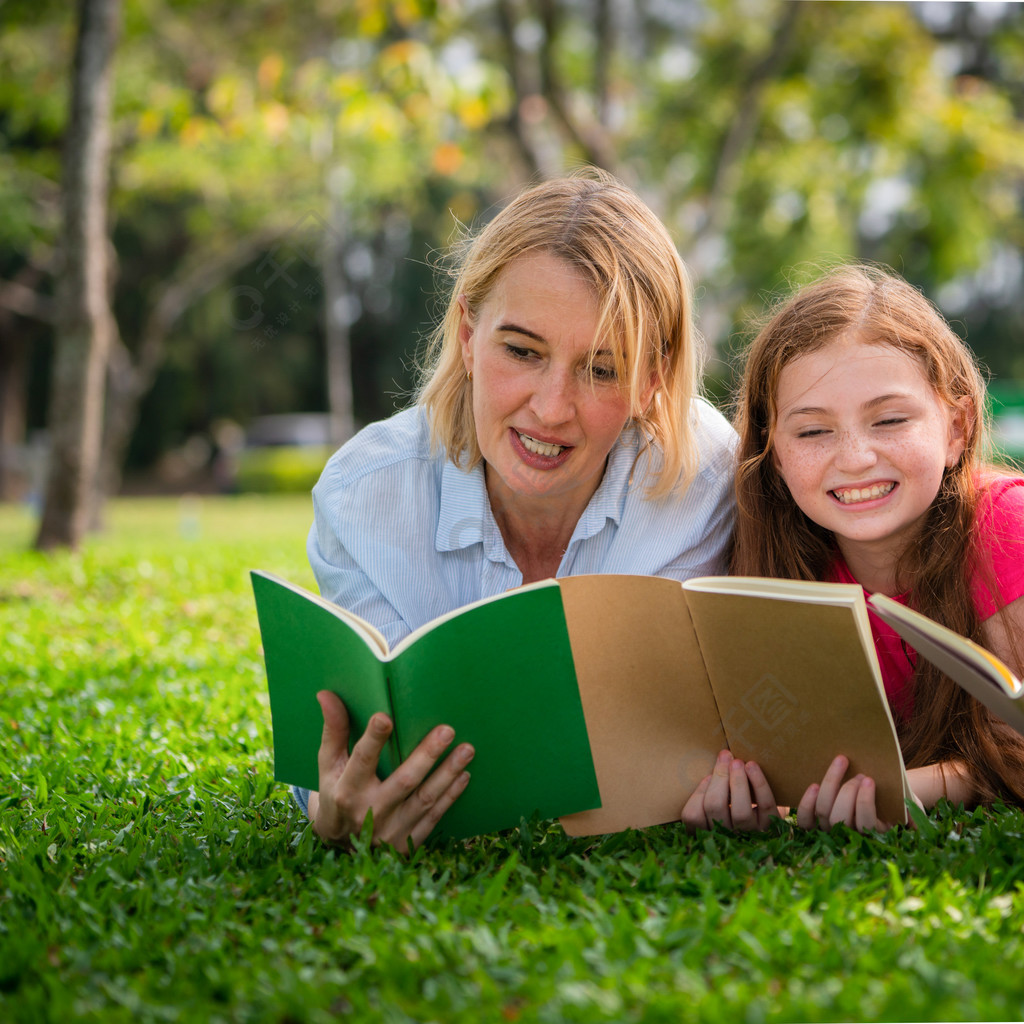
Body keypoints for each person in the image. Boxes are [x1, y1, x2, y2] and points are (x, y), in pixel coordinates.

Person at [301, 169, 738, 849]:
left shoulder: (706, 480)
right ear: (469, 336)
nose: (550, 407)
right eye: (522, 350)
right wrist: (332, 805)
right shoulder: (366, 496)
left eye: (601, 369)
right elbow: (355, 742)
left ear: (652, 381)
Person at [682, 263, 1024, 835]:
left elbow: (1015, 741)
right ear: (774, 451)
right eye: (812, 431)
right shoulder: (774, 560)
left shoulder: (1003, 526)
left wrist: (900, 791)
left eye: (889, 419)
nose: (855, 457)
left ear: (957, 427)